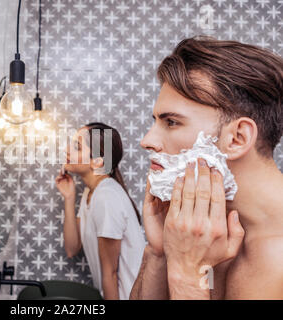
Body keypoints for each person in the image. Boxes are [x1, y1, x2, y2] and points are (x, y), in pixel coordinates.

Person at [130, 36, 283, 299]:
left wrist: (187, 277)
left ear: (237, 139)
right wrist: (159, 254)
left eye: (172, 122)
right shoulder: (199, 231)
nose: (147, 141)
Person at [55, 122, 146, 300]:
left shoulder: (107, 197)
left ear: (97, 161)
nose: (67, 149)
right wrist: (69, 197)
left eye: (77, 146)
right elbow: (72, 249)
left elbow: (110, 274)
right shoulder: (92, 191)